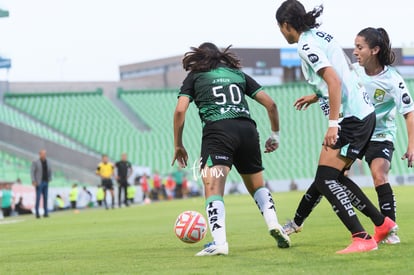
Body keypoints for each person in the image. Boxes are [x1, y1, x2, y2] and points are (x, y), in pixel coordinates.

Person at [275, 0, 396, 254]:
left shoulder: (305, 45)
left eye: (280, 27)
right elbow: (340, 75)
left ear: (287, 25)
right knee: (336, 177)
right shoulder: (319, 35)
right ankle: (381, 223)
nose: (281, 32)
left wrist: (333, 124)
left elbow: (334, 80)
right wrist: (316, 96)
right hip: (363, 113)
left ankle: (361, 237)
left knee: (325, 179)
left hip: (350, 118)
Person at [172, 42, 290, 256]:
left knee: (213, 188)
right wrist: (275, 135)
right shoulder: (237, 74)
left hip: (218, 132)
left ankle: (219, 243)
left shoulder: (196, 76)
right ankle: (275, 225)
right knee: (257, 186)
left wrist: (178, 144)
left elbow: (180, 110)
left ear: (199, 58)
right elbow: (271, 104)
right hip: (247, 131)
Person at [31, 149, 52, 218]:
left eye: (45, 154)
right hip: (39, 182)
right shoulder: (35, 162)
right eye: (43, 154)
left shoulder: (48, 162)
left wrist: (49, 178)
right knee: (38, 198)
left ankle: (46, 212)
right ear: (40, 154)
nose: (44, 155)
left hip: (46, 182)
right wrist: (33, 181)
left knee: (45, 198)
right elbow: (32, 172)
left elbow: (50, 170)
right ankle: (37, 213)